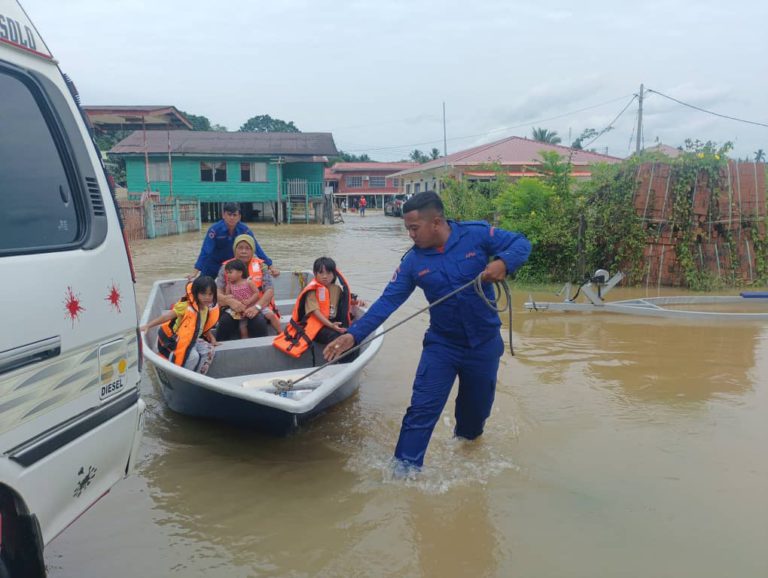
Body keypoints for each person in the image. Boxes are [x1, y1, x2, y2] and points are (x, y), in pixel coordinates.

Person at [324, 191, 531, 472]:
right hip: (442, 345)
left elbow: (521, 242)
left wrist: (504, 262)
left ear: (436, 222)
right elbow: (388, 300)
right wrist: (354, 334)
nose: (410, 234)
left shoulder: (476, 235)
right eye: (407, 228)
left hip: (483, 345)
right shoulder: (413, 262)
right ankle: (404, 473)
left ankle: (466, 456)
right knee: (421, 409)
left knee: (474, 417)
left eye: (413, 228)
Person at [273, 257, 357, 359]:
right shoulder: (312, 291)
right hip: (316, 327)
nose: (325, 276)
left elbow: (346, 301)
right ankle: (340, 361)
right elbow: (315, 312)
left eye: (328, 273)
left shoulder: (337, 289)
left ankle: (349, 359)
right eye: (321, 273)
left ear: (334, 274)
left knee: (352, 335)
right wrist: (331, 325)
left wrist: (357, 302)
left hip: (332, 323)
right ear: (315, 273)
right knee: (337, 337)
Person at [140, 276, 220, 374]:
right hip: (177, 340)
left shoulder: (207, 308)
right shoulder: (186, 306)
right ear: (195, 293)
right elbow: (166, 317)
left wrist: (212, 338)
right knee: (193, 356)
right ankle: (184, 375)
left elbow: (203, 327)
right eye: (203, 294)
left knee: (209, 351)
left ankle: (198, 375)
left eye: (210, 294)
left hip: (193, 340)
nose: (207, 297)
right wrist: (148, 325)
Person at [188, 201, 279, 280]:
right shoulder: (214, 230)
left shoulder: (244, 230)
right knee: (203, 285)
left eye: (234, 215)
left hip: (233, 265)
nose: (232, 218)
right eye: (229, 214)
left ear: (239, 216)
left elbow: (256, 249)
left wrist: (271, 266)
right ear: (224, 215)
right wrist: (195, 271)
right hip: (213, 264)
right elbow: (206, 251)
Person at [216, 234, 279, 341]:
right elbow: (218, 291)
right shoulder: (225, 267)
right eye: (240, 248)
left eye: (247, 248)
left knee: (258, 321)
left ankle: (262, 349)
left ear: (253, 251)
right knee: (225, 322)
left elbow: (269, 290)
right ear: (234, 250)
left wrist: (257, 307)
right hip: (233, 307)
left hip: (256, 305)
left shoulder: (261, 266)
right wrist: (230, 302)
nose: (244, 251)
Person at [223, 259, 281, 337]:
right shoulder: (229, 285)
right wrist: (235, 302)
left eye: (230, 272)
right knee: (242, 327)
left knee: (271, 315)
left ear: (240, 273)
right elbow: (228, 297)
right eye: (226, 273)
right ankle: (246, 341)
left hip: (255, 305)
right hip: (241, 310)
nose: (228, 275)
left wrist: (249, 301)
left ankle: (280, 332)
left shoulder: (248, 282)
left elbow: (256, 293)